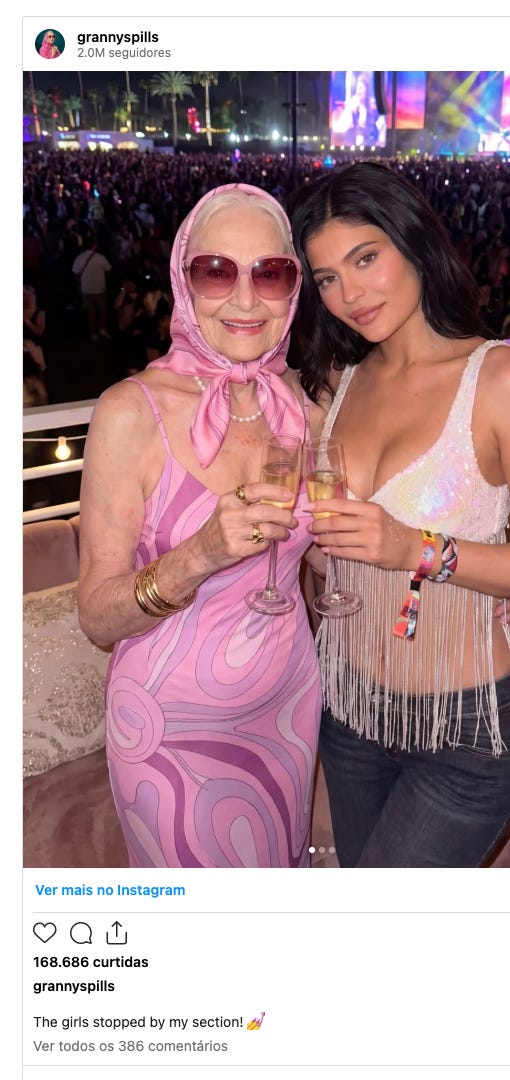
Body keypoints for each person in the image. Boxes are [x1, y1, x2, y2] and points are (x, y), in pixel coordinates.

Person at [288, 162, 510, 868]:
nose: (349, 294)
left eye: (365, 259)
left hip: (469, 728)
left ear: (414, 241)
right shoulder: (337, 384)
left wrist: (415, 549)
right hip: (349, 712)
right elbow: (326, 555)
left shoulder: (506, 380)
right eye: (327, 278)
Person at [77, 183, 325, 868]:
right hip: (168, 727)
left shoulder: (302, 404)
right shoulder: (130, 412)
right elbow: (97, 617)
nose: (245, 300)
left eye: (270, 273)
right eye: (216, 271)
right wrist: (199, 554)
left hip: (289, 705)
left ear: (293, 287)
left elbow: (321, 561)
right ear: (183, 281)